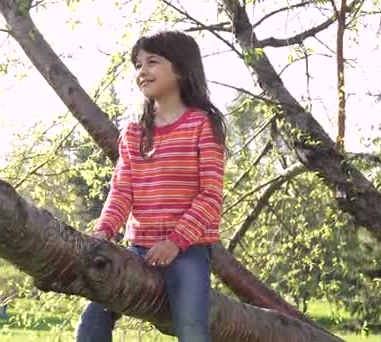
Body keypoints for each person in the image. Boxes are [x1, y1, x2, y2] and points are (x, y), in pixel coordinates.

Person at [76, 30, 227, 342]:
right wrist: (104, 231)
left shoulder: (202, 125)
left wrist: (175, 242)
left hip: (188, 249)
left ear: (182, 69)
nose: (141, 71)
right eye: (137, 64)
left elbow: (211, 196)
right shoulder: (134, 133)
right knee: (92, 321)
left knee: (191, 330)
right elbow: (122, 191)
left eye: (152, 62)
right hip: (138, 248)